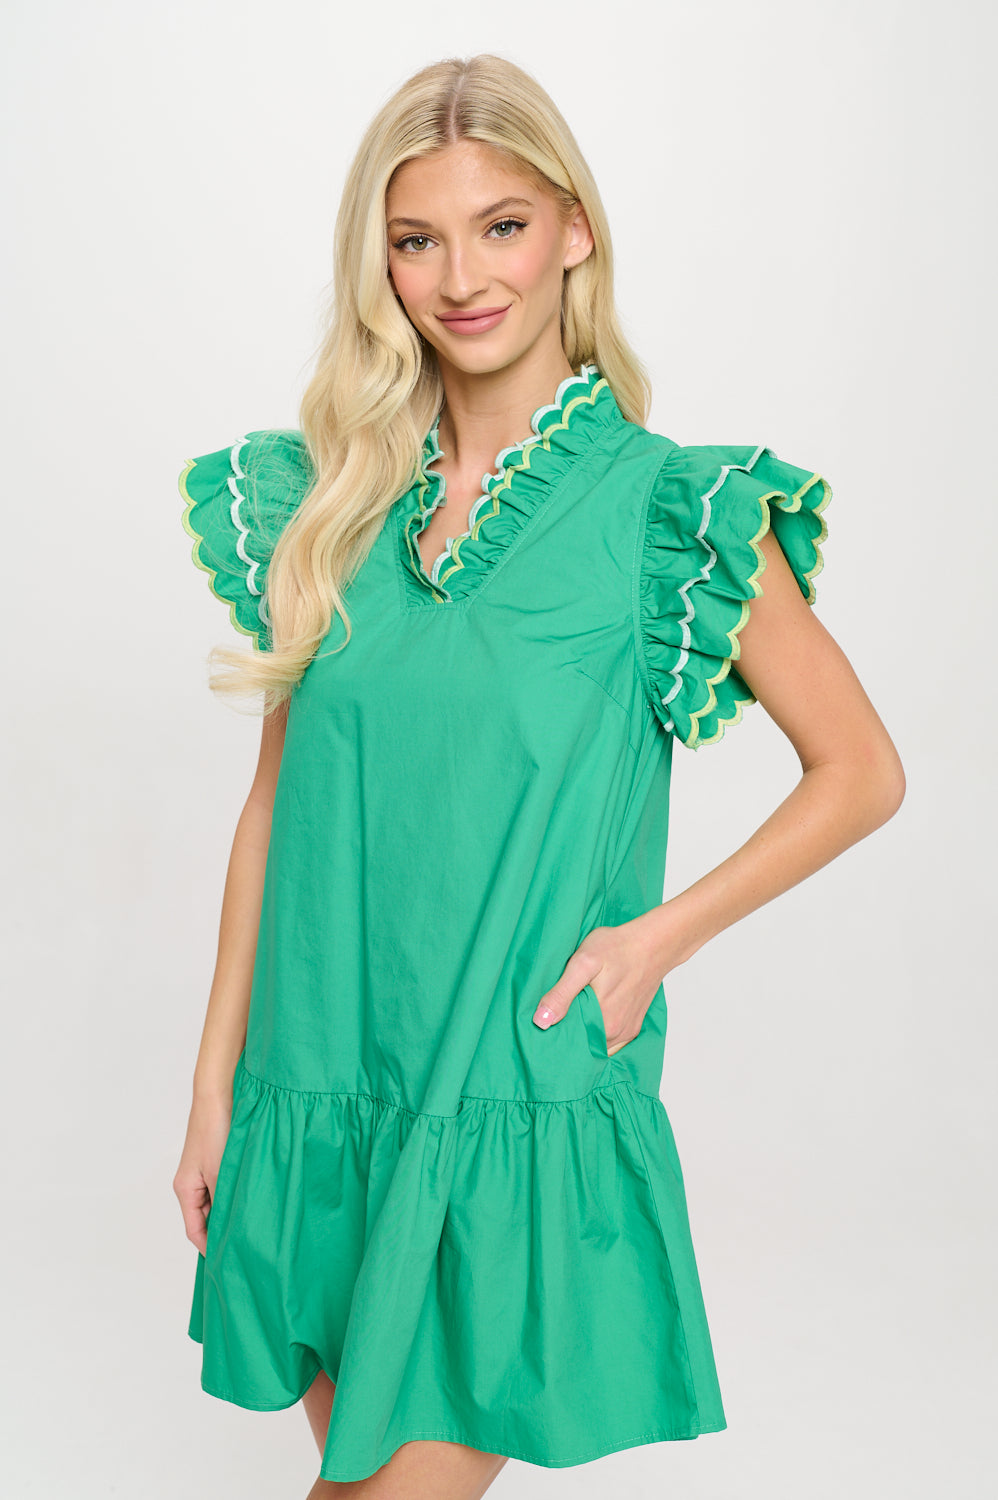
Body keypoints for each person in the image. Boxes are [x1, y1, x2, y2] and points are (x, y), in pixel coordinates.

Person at [173, 51, 905, 1500]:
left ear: (573, 229)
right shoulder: (331, 504)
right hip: (321, 1094)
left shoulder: (665, 512)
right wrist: (213, 1092)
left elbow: (860, 772)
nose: (461, 278)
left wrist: (654, 941)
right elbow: (273, 814)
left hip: (506, 1094)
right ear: (379, 262)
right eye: (416, 238)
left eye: (499, 225)